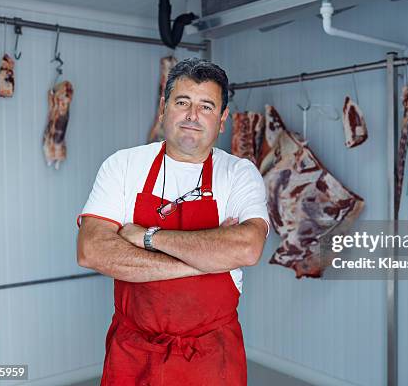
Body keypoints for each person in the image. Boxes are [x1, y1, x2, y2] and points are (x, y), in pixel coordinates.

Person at [76, 57, 269, 385]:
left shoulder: (238, 173)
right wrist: (205, 261)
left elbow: (248, 248)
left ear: (222, 119)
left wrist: (149, 237)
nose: (193, 116)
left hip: (210, 355)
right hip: (132, 353)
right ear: (164, 107)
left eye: (206, 106)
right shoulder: (123, 165)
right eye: (183, 102)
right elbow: (92, 251)